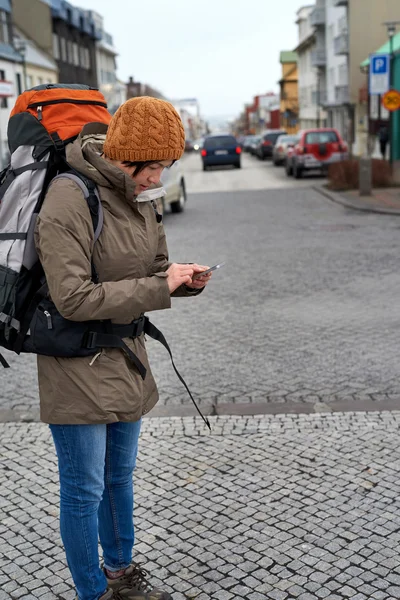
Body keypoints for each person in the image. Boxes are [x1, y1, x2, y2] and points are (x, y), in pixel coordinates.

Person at [34, 96, 212, 600]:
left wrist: (181, 280)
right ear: (125, 155)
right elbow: (72, 298)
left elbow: (154, 268)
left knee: (119, 480)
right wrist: (160, 287)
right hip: (75, 363)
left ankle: (121, 576)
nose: (159, 178)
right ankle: (92, 593)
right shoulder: (69, 197)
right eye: (154, 166)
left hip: (127, 360)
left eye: (165, 166)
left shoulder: (139, 197)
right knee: (84, 490)